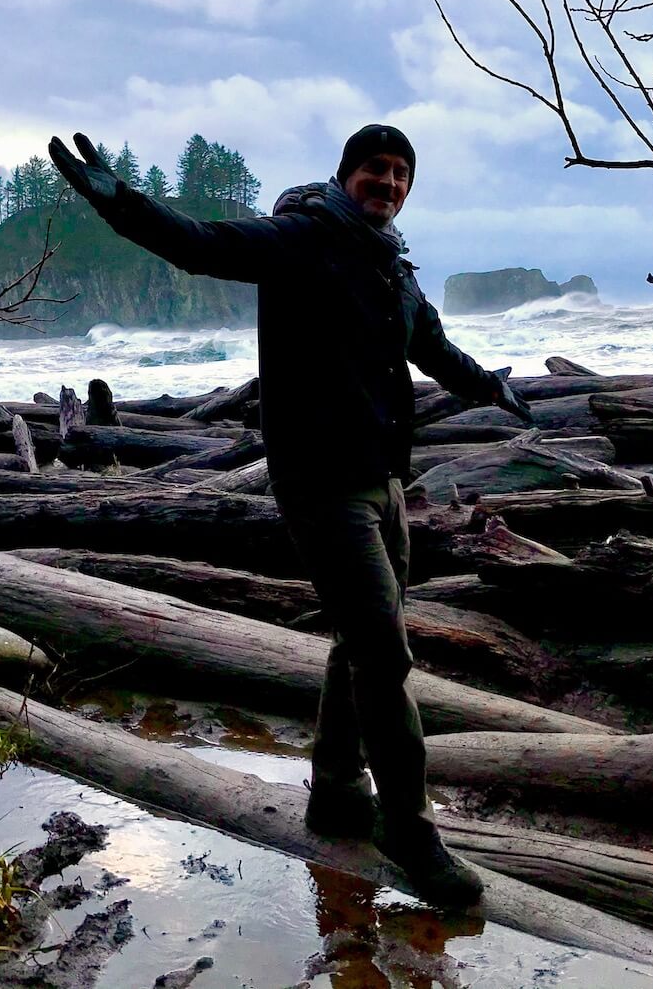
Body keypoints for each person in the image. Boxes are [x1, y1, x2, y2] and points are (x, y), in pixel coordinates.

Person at [48, 124, 533, 908]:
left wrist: (492, 388)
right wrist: (119, 203)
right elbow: (199, 244)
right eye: (377, 168)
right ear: (347, 174)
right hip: (322, 484)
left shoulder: (390, 265)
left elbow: (434, 349)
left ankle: (338, 790)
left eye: (403, 172)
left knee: (358, 640)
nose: (390, 182)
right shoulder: (303, 238)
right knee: (384, 654)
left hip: (384, 482)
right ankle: (410, 831)